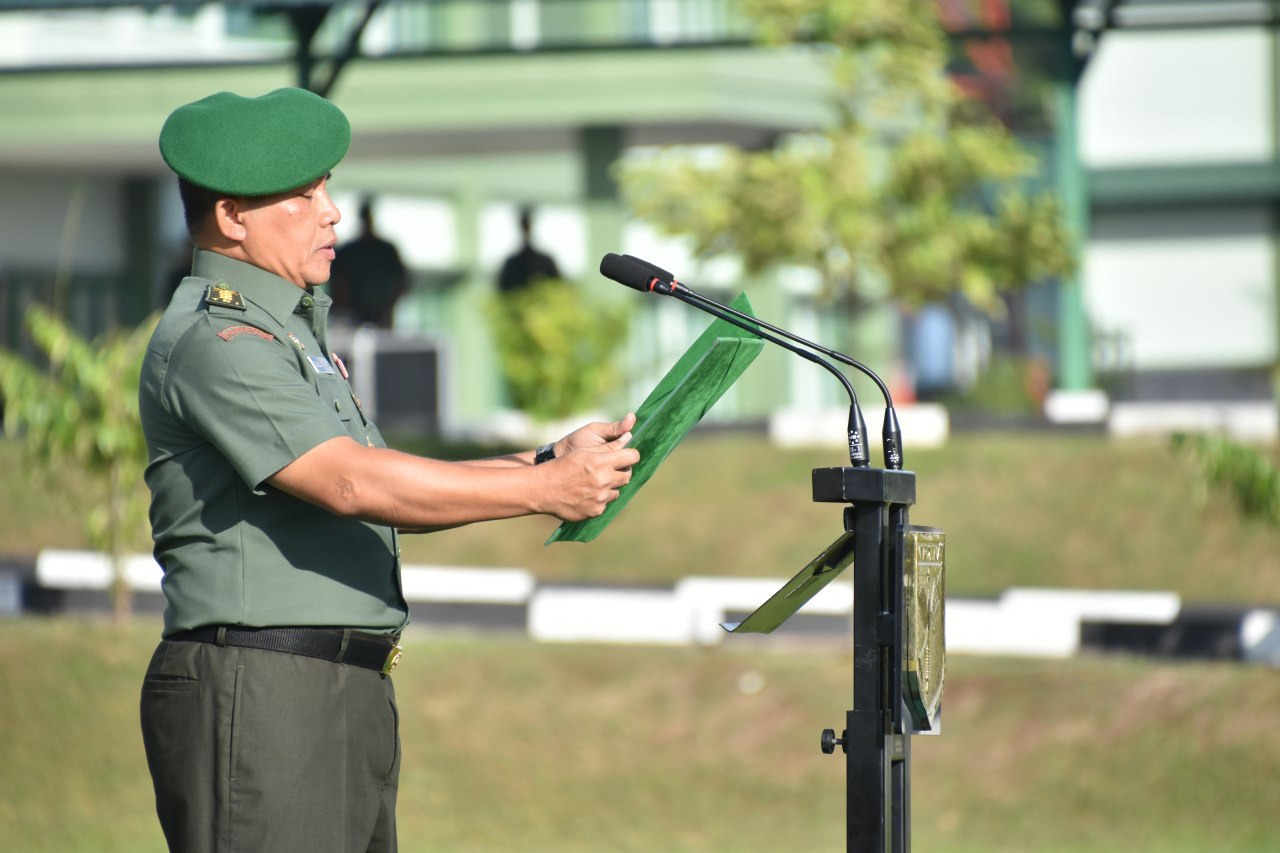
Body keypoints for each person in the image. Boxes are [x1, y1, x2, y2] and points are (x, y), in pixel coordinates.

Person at [139, 87, 638, 853]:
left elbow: (381, 479)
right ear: (233, 216)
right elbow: (351, 483)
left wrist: (546, 461)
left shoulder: (289, 334)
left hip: (335, 687)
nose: (333, 211)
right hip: (264, 688)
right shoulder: (221, 339)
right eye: (304, 196)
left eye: (327, 188)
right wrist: (541, 491)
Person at [328, 198, 407, 327]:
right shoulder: (349, 251)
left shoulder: (386, 251)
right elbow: (339, 284)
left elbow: (401, 283)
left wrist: (387, 309)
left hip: (381, 317)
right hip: (352, 318)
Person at [496, 205, 561, 294]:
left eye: (527, 225)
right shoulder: (511, 263)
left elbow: (558, 288)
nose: (526, 229)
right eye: (525, 224)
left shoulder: (546, 261)